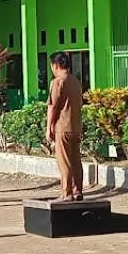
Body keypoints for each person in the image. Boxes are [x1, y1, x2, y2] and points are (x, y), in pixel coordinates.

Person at [46, 52, 84, 202]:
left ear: (55, 65)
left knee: (64, 161)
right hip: (76, 126)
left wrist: (49, 127)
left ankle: (66, 192)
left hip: (63, 126)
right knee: (75, 160)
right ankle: (77, 190)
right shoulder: (76, 81)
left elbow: (53, 106)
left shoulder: (57, 82)